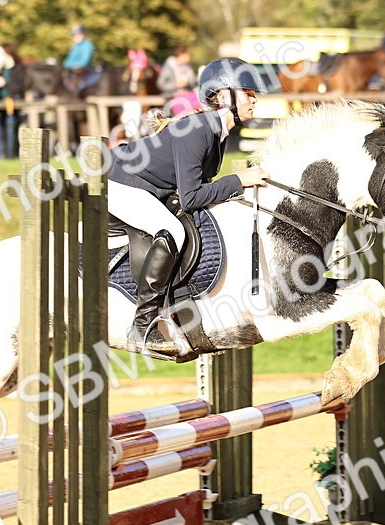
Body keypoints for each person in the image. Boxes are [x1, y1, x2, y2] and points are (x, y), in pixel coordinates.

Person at [107, 57, 269, 354]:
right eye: (247, 93)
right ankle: (142, 326)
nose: (254, 100)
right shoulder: (199, 129)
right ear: (222, 96)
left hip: (149, 187)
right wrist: (238, 180)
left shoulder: (218, 134)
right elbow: (191, 197)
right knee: (172, 231)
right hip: (122, 184)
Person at [0, 43, 28, 158]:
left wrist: (5, 83)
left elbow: (20, 85)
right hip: (2, 103)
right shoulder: (3, 68)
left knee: (13, 129)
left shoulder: (19, 68)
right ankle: (6, 155)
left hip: (15, 102)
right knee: (2, 129)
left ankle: (13, 155)